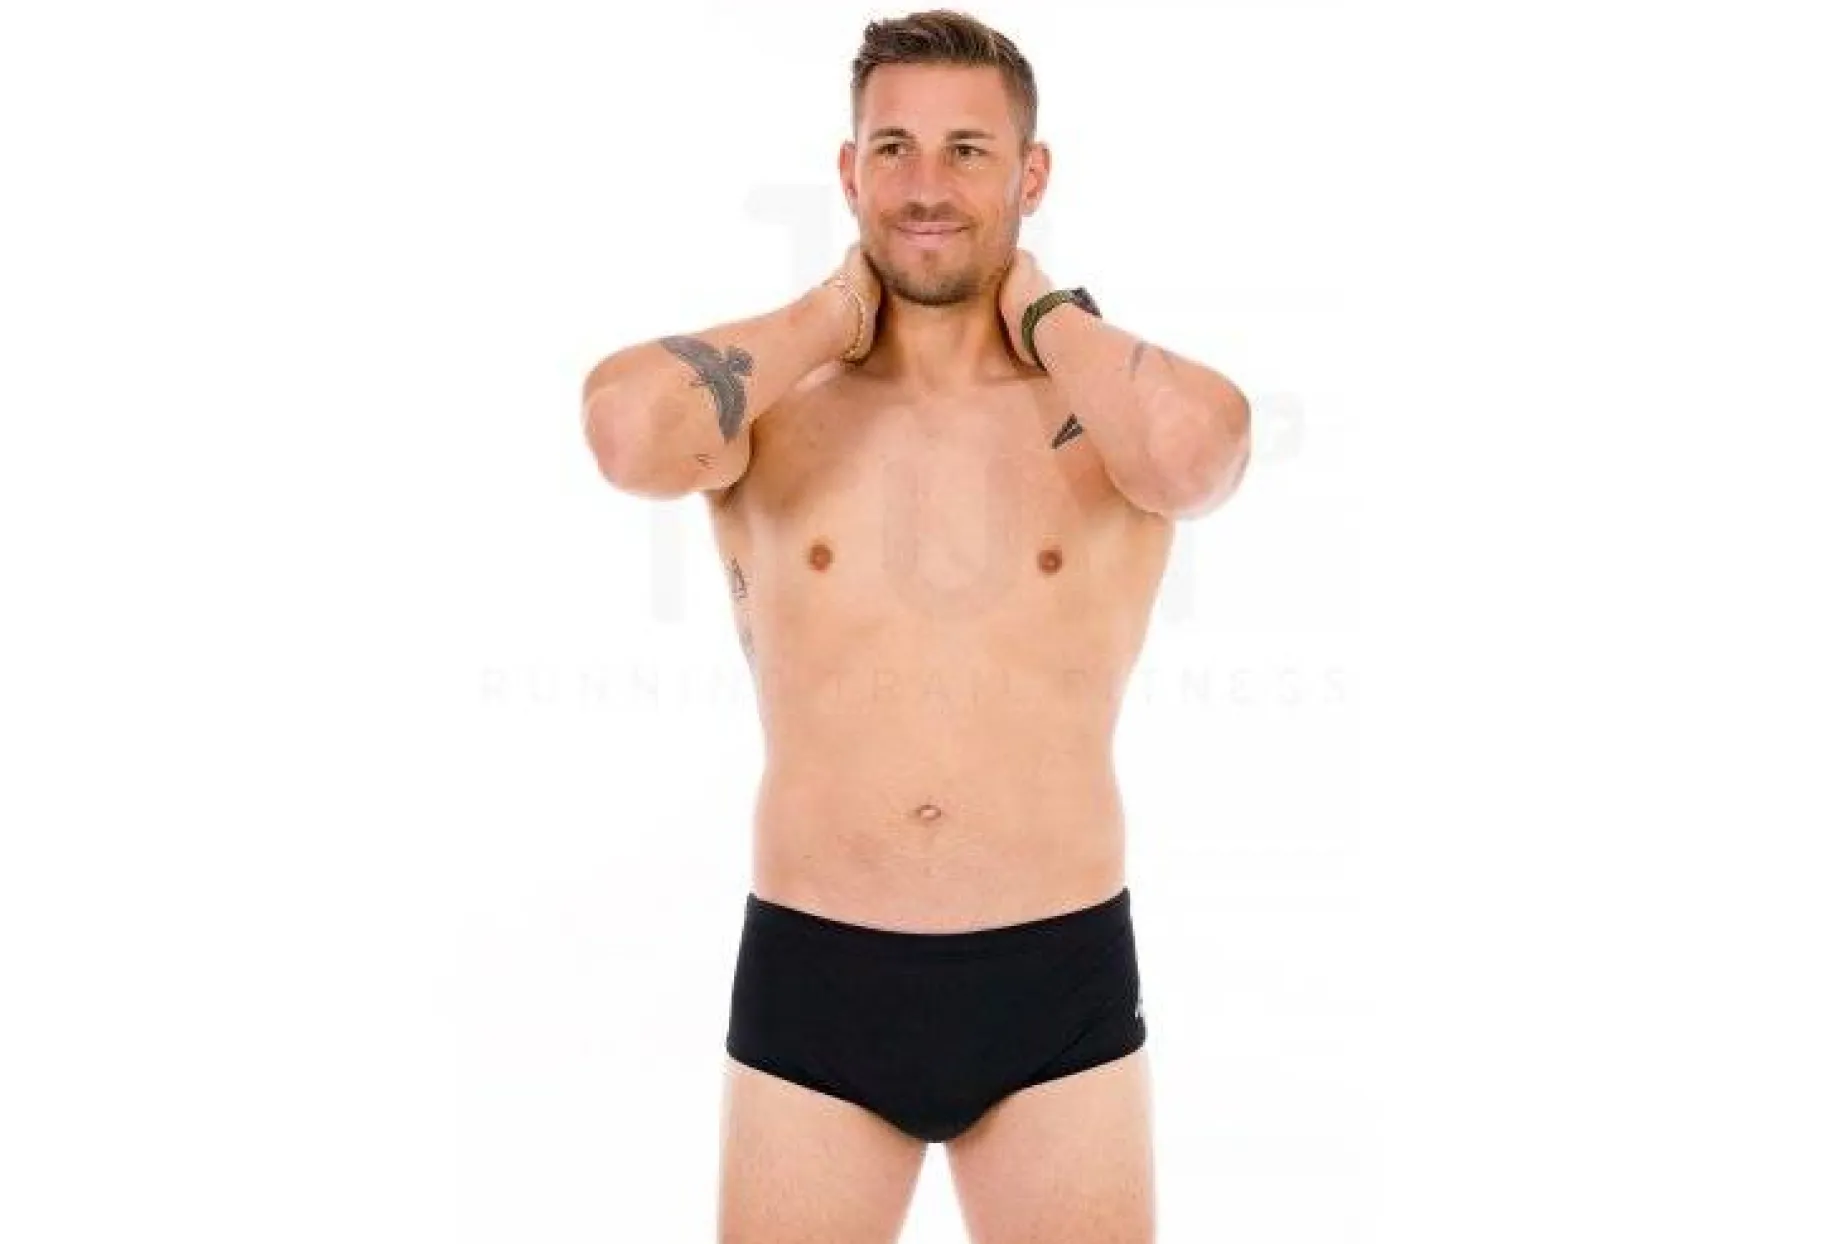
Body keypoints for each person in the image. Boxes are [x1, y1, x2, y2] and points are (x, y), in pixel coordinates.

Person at [580, 10, 1250, 1241]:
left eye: (967, 151)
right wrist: (829, 315)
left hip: (1054, 980)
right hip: (817, 975)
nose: (925, 185)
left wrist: (1045, 314)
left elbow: (1199, 456)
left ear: (1031, 175)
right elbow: (626, 433)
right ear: (848, 171)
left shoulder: (1098, 408)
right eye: (892, 148)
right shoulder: (777, 402)